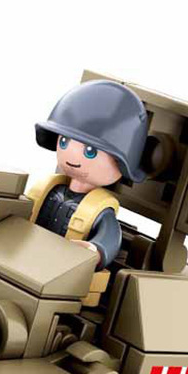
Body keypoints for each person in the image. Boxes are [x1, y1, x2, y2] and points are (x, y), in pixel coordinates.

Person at [29, 80, 149, 269]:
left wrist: (95, 250)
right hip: (28, 254)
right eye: (64, 142)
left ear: (121, 163)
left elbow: (109, 237)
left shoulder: (101, 212)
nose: (72, 156)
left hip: (63, 269)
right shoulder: (52, 190)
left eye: (90, 151)